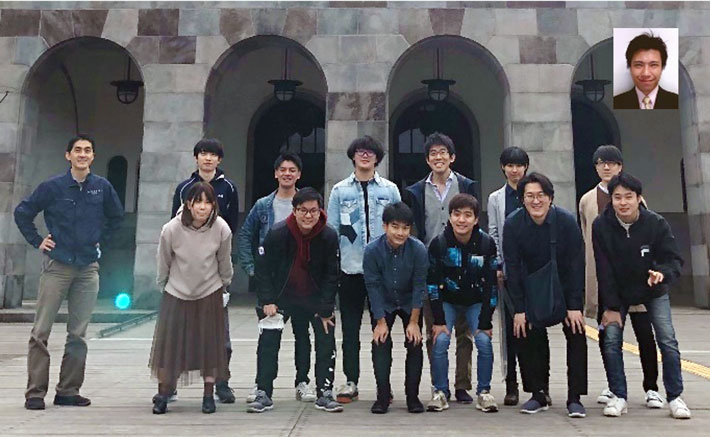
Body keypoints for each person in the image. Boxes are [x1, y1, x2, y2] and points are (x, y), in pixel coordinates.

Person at [15, 135, 124, 411]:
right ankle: (35, 392)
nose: (82, 154)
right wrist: (37, 240)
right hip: (58, 265)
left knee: (78, 333)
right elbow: (23, 212)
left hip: (88, 267)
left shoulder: (102, 187)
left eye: (87, 150)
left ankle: (68, 390)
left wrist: (102, 241)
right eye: (77, 150)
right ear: (68, 156)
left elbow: (117, 217)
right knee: (41, 331)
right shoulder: (52, 187)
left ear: (93, 156)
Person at [593, 173, 691, 419]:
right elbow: (603, 269)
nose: (623, 202)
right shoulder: (601, 225)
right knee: (611, 338)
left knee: (667, 340)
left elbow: (673, 259)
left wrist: (661, 274)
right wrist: (611, 306)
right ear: (611, 200)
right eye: (617, 198)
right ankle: (619, 395)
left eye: (628, 197)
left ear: (639, 199)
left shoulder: (655, 223)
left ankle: (675, 396)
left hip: (652, 289)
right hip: (618, 290)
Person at [578, 145, 661, 408]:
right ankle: (614, 385)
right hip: (604, 278)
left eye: (612, 163)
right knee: (608, 335)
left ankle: (652, 386)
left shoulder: (636, 197)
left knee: (645, 334)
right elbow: (585, 237)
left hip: (636, 278)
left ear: (620, 166)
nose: (606, 167)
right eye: (601, 163)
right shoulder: (587, 200)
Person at [247, 188, 342, 414]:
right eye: (303, 211)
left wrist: (326, 307)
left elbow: (332, 274)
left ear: (321, 211)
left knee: (326, 335)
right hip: (282, 296)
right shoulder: (278, 233)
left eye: (313, 211)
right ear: (295, 211)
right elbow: (264, 269)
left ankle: (325, 391)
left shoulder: (328, 236)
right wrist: (267, 300)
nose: (308, 216)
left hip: (315, 297)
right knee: (269, 337)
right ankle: (264, 391)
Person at [402, 132, 481, 403]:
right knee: (435, 329)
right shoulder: (415, 191)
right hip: (430, 267)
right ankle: (440, 386)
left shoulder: (467, 186)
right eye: (433, 154)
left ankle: (462, 385)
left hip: (464, 265)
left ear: (452, 157)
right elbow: (413, 230)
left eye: (443, 153)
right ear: (427, 159)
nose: (438, 157)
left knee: (464, 332)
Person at [503, 172, 588, 418]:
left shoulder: (566, 221)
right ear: (522, 199)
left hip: (563, 285)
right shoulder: (514, 224)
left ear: (550, 198)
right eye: (529, 196)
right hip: (531, 288)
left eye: (541, 195)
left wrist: (574, 305)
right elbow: (513, 267)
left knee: (576, 330)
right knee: (524, 329)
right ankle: (539, 393)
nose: (536, 201)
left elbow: (575, 265)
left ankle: (575, 396)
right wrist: (519, 308)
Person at [237, 152, 318, 403]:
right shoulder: (263, 205)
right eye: (282, 169)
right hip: (273, 282)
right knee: (269, 336)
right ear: (275, 173)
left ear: (299, 174)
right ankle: (263, 386)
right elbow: (245, 235)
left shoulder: (308, 203)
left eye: (292, 170)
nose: (287, 173)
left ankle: (302, 382)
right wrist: (252, 268)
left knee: (303, 335)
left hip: (302, 280)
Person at [327, 136, 401, 404]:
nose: (365, 156)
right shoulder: (339, 191)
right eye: (360, 152)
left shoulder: (390, 189)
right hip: (350, 269)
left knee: (382, 328)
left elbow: (398, 227)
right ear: (353, 156)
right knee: (349, 329)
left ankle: (384, 384)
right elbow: (332, 231)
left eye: (370, 152)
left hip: (382, 272)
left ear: (377, 158)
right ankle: (351, 381)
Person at [150, 182, 232, 415]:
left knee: (210, 345)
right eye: (198, 202)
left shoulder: (221, 228)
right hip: (176, 291)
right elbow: (163, 260)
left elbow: (224, 261)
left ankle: (208, 395)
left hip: (210, 289)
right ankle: (164, 393)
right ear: (188, 204)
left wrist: (225, 284)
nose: (202, 207)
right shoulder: (171, 228)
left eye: (208, 202)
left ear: (213, 205)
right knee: (171, 345)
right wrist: (163, 284)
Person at [168, 138, 239, 404]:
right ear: (196, 157)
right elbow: (173, 226)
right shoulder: (183, 187)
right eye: (203, 154)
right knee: (177, 328)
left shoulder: (229, 187)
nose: (208, 159)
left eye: (213, 155)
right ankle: (170, 384)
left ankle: (221, 382)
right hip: (184, 271)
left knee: (220, 331)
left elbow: (230, 228)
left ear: (219, 160)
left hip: (214, 272)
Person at [427, 194, 498, 413]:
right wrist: (438, 320)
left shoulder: (486, 243)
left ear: (476, 219)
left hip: (475, 301)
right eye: (457, 214)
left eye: (468, 215)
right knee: (439, 340)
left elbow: (491, 286)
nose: (462, 220)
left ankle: (484, 392)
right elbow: (432, 285)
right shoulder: (439, 244)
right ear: (450, 217)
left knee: (484, 342)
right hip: (447, 300)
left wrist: (486, 321)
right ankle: (440, 391)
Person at [487, 146, 545, 406]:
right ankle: (512, 384)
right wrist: (500, 265)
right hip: (509, 273)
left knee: (537, 330)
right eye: (509, 165)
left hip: (535, 272)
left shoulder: (534, 195)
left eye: (519, 165)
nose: (514, 170)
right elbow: (494, 232)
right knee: (511, 331)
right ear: (503, 168)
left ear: (526, 167)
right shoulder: (496, 198)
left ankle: (539, 385)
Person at [363, 202, 427, 414]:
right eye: (395, 226)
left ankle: (413, 396)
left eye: (405, 228)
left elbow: (420, 286)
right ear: (384, 226)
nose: (400, 232)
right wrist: (380, 321)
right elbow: (372, 286)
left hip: (410, 301)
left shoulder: (418, 249)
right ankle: (382, 396)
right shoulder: (372, 250)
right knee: (380, 342)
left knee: (415, 342)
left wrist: (414, 322)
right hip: (385, 300)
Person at [613, 32, 678, 110]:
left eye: (653, 65)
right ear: (630, 67)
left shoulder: (676, 102)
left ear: (662, 67)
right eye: (638, 65)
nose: (646, 73)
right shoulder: (616, 103)